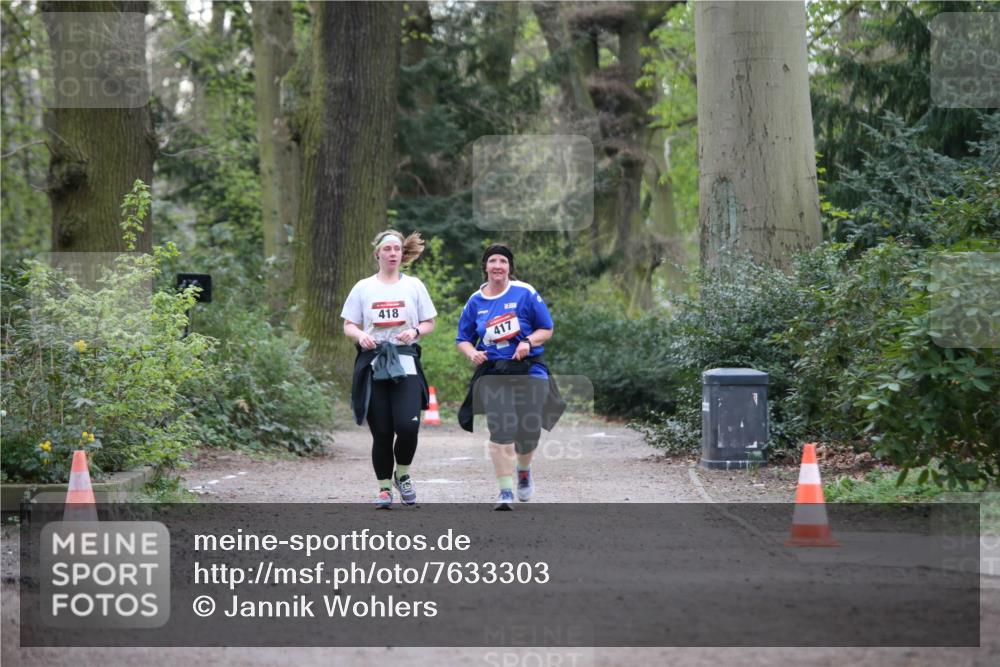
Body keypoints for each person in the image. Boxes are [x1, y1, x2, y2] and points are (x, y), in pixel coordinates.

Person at [456, 244, 565, 510]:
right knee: (501, 430)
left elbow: (546, 329)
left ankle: (524, 471)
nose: (497, 265)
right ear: (485, 266)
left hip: (529, 369)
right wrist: (472, 353)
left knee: (528, 432)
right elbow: (463, 338)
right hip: (494, 372)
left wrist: (527, 341)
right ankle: (505, 492)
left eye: (502, 261)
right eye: (492, 260)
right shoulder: (475, 300)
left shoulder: (524, 292)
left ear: (509, 267)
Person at [342, 230, 436, 509]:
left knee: (407, 427)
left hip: (405, 362)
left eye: (397, 248)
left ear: (401, 253)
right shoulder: (363, 287)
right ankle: (384, 488)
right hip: (373, 363)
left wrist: (416, 331)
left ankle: (402, 474)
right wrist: (360, 336)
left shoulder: (414, 286)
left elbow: (430, 321)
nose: (393, 253)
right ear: (378, 254)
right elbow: (348, 324)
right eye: (387, 249)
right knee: (382, 431)